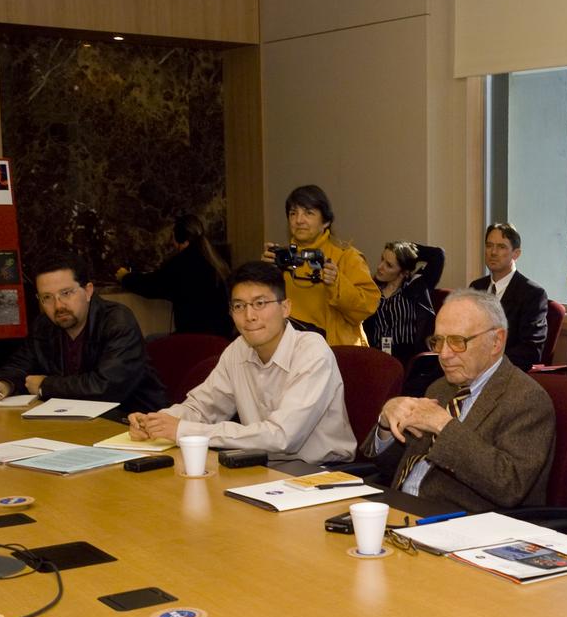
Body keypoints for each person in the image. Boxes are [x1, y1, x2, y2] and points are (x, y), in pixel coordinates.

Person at [126, 261, 356, 462]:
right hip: (261, 466)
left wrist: (183, 431)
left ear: (285, 308)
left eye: (260, 303)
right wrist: (157, 423)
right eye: (239, 306)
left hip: (318, 473)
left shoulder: (312, 351)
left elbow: (282, 437)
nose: (249, 316)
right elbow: (202, 408)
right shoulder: (238, 350)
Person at [363, 288, 554, 512]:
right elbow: (389, 467)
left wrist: (443, 426)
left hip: (458, 521)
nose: (443, 354)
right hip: (399, 506)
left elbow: (510, 485)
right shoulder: (440, 387)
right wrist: (387, 424)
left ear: (496, 341)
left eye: (457, 341)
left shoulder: (526, 399)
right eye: (438, 341)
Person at [0, 251, 165, 416]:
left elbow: (106, 388)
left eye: (66, 293)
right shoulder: (44, 325)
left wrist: (45, 386)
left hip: (131, 422)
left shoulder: (117, 321)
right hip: (73, 421)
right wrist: (4, 385)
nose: (58, 305)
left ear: (88, 291)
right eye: (47, 297)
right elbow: (20, 365)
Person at [261, 184, 379, 346]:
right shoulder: (282, 258)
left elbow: (367, 308)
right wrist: (265, 274)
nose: (299, 220)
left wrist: (337, 282)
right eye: (293, 213)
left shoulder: (346, 256)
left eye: (308, 213)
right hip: (290, 347)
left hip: (335, 349)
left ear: (326, 222)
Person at [116, 214, 233, 337]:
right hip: (222, 338)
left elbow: (150, 285)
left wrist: (125, 277)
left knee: (150, 340)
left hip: (193, 339)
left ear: (178, 237)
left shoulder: (181, 263)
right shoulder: (215, 260)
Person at [470, 223, 548, 370]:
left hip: (504, 372)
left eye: (501, 247)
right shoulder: (476, 287)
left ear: (516, 254)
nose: (493, 252)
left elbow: (531, 350)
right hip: (468, 367)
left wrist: (486, 362)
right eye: (489, 245)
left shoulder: (532, 294)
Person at [363, 241, 445, 364]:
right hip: (377, 356)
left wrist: (405, 248)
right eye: (382, 260)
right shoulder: (371, 289)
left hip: (408, 358)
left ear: (403, 272)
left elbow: (437, 255)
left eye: (389, 265)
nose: (380, 267)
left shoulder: (416, 287)